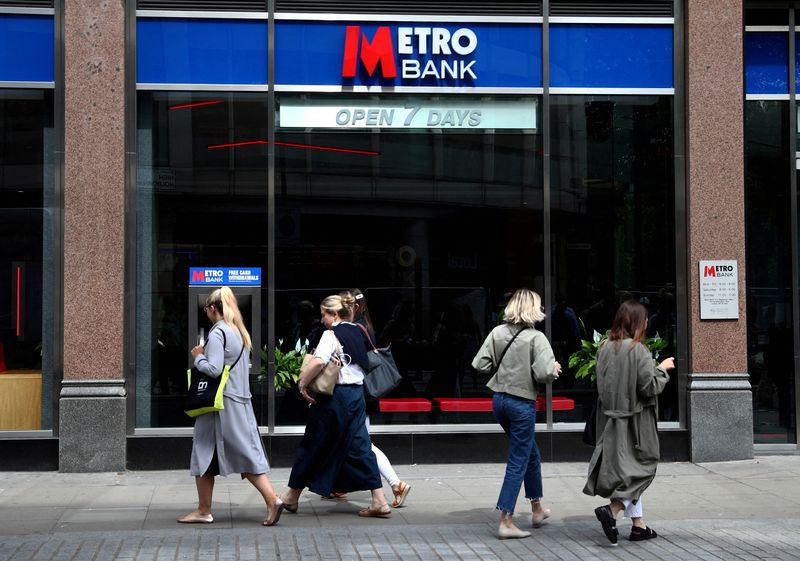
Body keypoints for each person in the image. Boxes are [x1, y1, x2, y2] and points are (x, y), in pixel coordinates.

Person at [179, 286, 284, 526]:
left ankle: (205, 510)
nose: (205, 313)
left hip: (217, 405)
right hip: (238, 402)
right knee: (244, 454)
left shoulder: (217, 333)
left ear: (213, 308)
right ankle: (271, 499)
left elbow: (214, 369)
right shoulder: (238, 331)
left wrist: (198, 356)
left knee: (202, 451)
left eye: (206, 309)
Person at [280, 294, 392, 518]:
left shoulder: (331, 334)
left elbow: (320, 361)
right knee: (360, 445)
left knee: (314, 443)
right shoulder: (359, 330)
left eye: (324, 315)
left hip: (334, 398)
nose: (322, 320)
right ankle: (379, 500)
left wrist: (302, 384)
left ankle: (291, 497)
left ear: (333, 314)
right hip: (356, 396)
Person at [471, 288, 561, 540]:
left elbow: (479, 364)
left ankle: (537, 509)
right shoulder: (536, 339)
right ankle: (506, 520)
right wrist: (553, 368)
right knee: (519, 459)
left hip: (499, 400)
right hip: (522, 404)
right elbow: (544, 375)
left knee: (530, 452)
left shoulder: (497, 332)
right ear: (533, 309)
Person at [584, 299, 674, 545]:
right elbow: (649, 387)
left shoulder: (604, 348)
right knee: (643, 468)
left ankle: (638, 526)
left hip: (610, 421)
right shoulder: (639, 350)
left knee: (627, 472)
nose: (647, 323)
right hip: (635, 423)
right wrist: (663, 369)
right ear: (637, 322)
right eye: (644, 319)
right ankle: (612, 510)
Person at [322, 289, 411, 508]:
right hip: (362, 394)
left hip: (359, 394)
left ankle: (395, 483)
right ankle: (339, 486)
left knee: (364, 444)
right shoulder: (363, 326)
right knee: (349, 440)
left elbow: (354, 363)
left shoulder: (354, 329)